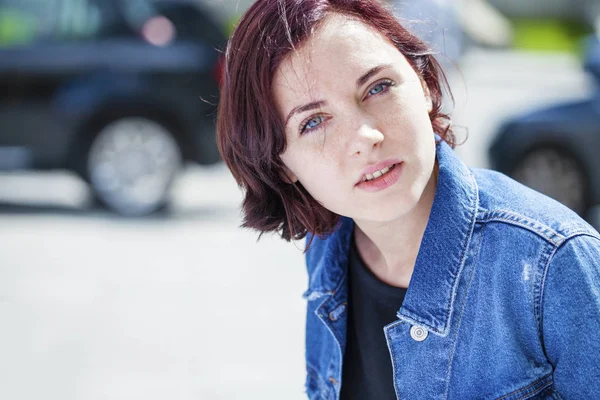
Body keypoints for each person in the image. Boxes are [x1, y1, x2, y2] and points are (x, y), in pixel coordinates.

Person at [216, 0, 600, 398]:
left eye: (378, 87)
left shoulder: (551, 262)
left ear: (424, 83)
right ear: (282, 166)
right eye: (313, 122)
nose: (366, 138)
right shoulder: (328, 246)